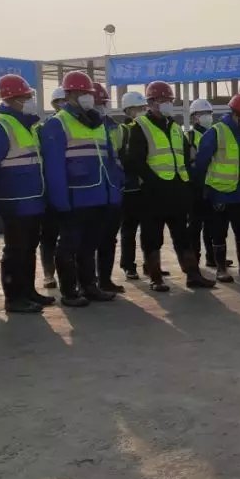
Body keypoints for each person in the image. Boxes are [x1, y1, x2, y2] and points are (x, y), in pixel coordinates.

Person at [39, 71, 121, 306]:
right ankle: (69, 292)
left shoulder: (98, 123)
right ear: (68, 95)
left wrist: (114, 191)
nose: (86, 97)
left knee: (89, 245)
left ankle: (89, 286)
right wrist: (60, 200)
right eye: (80, 93)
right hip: (75, 197)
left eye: (88, 93)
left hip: (99, 195)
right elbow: (54, 167)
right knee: (68, 246)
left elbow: (110, 161)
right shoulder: (57, 123)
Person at [124, 80, 215, 292]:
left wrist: (188, 184)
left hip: (177, 191)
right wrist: (153, 181)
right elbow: (134, 161)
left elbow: (185, 158)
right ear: (151, 103)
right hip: (153, 194)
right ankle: (155, 277)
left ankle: (193, 274)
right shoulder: (139, 127)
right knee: (152, 237)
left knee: (183, 236)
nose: (167, 104)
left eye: (169, 100)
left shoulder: (175, 127)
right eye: (163, 100)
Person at [0, 74, 52, 314]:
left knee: (29, 247)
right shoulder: (0, 126)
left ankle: (28, 291)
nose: (29, 100)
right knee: (15, 250)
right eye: (25, 96)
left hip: (33, 197)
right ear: (11, 99)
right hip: (13, 200)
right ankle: (14, 298)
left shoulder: (28, 124)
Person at [193, 93, 240, 282]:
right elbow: (201, 163)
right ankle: (221, 268)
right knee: (219, 233)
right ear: (235, 115)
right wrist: (202, 190)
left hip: (239, 193)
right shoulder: (216, 132)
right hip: (219, 193)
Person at [186, 98, 230, 269]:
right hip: (196, 188)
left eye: (209, 113)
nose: (207, 116)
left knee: (213, 225)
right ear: (194, 117)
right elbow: (190, 163)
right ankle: (194, 261)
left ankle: (212, 257)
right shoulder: (190, 136)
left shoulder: (215, 134)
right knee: (195, 226)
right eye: (202, 113)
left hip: (212, 184)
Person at [92, 82, 126, 294]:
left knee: (109, 238)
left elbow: (120, 155)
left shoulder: (115, 127)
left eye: (104, 103)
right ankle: (87, 282)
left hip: (112, 188)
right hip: (91, 188)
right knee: (88, 239)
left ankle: (105, 279)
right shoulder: (82, 126)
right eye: (98, 103)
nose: (102, 107)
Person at [116, 91, 147, 280]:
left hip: (147, 188)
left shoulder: (148, 129)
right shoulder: (123, 131)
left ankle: (150, 264)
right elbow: (119, 158)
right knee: (129, 229)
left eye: (143, 108)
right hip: (130, 188)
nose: (142, 111)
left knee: (149, 229)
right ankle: (128, 265)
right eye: (138, 108)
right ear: (128, 110)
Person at [39, 86, 68, 290]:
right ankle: (49, 273)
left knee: (70, 235)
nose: (63, 104)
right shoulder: (46, 127)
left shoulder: (77, 125)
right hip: (50, 188)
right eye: (59, 101)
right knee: (48, 235)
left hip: (71, 187)